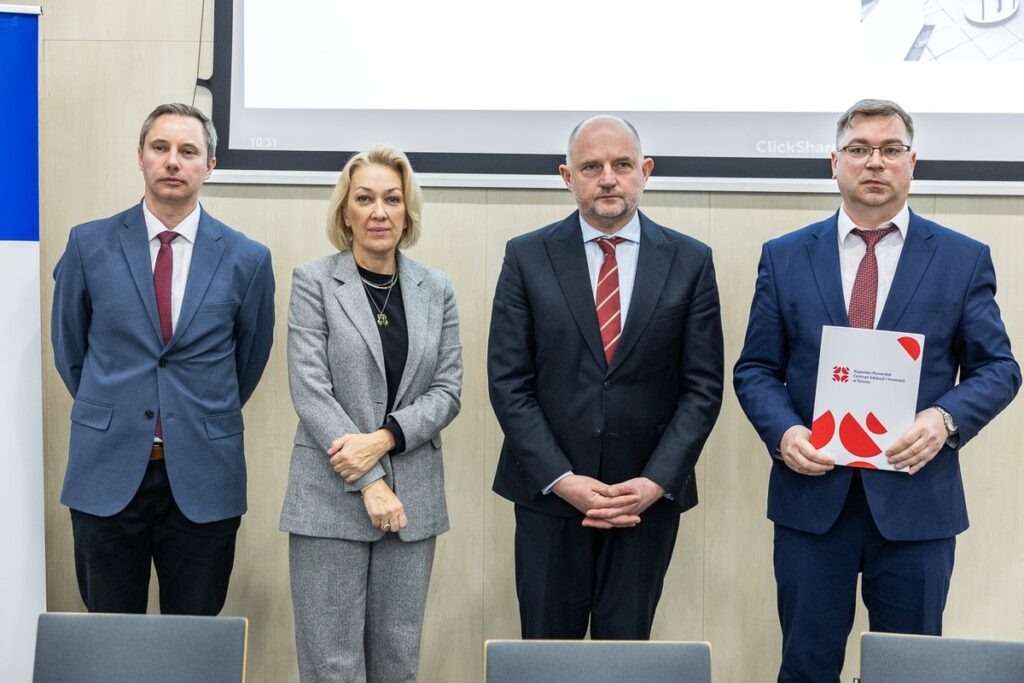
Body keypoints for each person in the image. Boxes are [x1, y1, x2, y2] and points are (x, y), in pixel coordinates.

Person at [733, 99, 1021, 683]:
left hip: (917, 506)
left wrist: (944, 419)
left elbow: (999, 368)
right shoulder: (786, 256)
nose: (875, 163)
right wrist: (785, 431)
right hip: (813, 502)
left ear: (912, 163)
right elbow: (756, 368)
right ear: (833, 163)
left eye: (890, 150)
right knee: (807, 665)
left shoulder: (962, 259)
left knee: (910, 670)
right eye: (860, 150)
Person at [488, 115, 724, 639]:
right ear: (567, 177)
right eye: (591, 167)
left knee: (627, 658)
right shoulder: (526, 256)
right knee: (547, 662)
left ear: (646, 171)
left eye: (621, 165)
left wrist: (655, 482)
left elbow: (703, 388)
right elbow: (509, 383)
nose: (608, 178)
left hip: (644, 502)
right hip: (550, 499)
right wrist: (563, 481)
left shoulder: (690, 260)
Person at [51, 102, 276, 614]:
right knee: (112, 642)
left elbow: (250, 358)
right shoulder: (89, 244)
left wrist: (189, 412)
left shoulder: (247, 258)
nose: (173, 161)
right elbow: (71, 351)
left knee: (194, 644)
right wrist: (117, 409)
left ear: (210, 166)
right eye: (161, 148)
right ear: (141, 157)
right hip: (107, 474)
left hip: (203, 476)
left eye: (188, 151)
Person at [280, 146, 463, 682]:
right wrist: (370, 481)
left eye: (392, 199)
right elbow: (310, 389)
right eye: (365, 199)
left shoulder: (438, 289)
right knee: (330, 666)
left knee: (397, 664)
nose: (379, 211)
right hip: (328, 497)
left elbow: (449, 391)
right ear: (345, 212)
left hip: (412, 504)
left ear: (408, 213)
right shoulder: (313, 281)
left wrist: (382, 441)